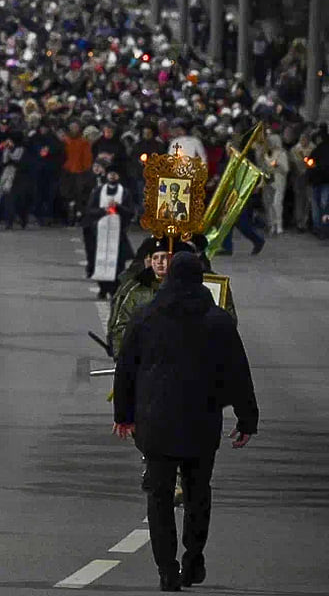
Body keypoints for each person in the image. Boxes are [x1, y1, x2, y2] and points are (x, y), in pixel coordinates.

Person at [114, 251, 259, 591]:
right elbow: (238, 372)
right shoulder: (218, 320)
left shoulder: (146, 316)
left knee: (159, 496)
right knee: (198, 494)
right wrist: (246, 418)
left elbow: (126, 369)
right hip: (202, 422)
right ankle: (194, 557)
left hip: (156, 422)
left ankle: (167, 568)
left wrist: (124, 416)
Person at [87, 169, 135, 298]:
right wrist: (104, 211)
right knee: (100, 260)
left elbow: (130, 212)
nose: (112, 176)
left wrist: (118, 207)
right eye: (110, 174)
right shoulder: (98, 191)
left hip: (118, 234)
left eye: (115, 174)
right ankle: (102, 288)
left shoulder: (125, 193)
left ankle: (115, 289)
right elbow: (90, 210)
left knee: (118, 263)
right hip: (100, 233)